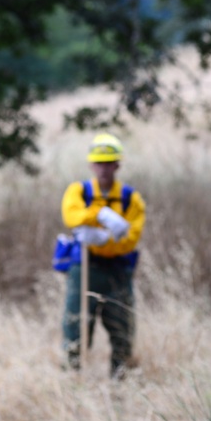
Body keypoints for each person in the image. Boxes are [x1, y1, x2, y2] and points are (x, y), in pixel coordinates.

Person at [60, 133, 146, 379]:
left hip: (118, 269)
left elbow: (131, 238)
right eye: (99, 163)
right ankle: (72, 381)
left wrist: (106, 239)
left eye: (109, 163)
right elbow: (71, 216)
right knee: (76, 326)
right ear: (91, 164)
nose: (104, 169)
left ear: (117, 165)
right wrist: (101, 215)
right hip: (86, 266)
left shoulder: (131, 199)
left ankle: (121, 382)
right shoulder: (79, 191)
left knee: (123, 327)